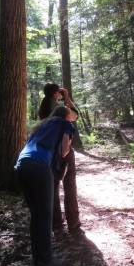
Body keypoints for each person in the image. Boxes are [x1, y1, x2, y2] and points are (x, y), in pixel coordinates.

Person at [14, 106, 75, 266]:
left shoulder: (42, 125)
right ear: (67, 116)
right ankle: (46, 261)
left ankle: (38, 260)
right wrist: (69, 144)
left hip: (21, 165)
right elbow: (63, 151)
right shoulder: (65, 124)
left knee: (36, 215)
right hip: (39, 167)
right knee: (45, 215)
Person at [38, 82, 82, 233]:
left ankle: (56, 223)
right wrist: (67, 97)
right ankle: (73, 223)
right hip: (64, 150)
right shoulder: (59, 108)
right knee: (69, 185)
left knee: (54, 187)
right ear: (57, 93)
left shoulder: (43, 108)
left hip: (49, 152)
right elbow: (75, 115)